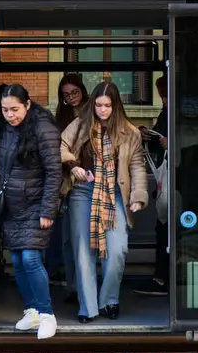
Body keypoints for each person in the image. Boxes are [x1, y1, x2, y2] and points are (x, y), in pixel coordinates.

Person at [60, 82, 148, 323]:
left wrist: (138, 196)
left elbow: (137, 166)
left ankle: (109, 300)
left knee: (117, 250)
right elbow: (61, 147)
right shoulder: (80, 124)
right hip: (82, 191)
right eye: (98, 105)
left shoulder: (130, 132)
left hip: (115, 193)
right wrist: (73, 166)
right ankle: (87, 307)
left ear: (115, 105)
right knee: (83, 251)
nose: (102, 110)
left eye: (107, 105)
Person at [0, 84, 63, 339]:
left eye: (14, 109)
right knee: (15, 260)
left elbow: (54, 172)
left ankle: (47, 315)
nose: (9, 115)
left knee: (30, 259)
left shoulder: (44, 128)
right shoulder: (9, 129)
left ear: (27, 104)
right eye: (5, 110)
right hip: (13, 206)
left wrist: (48, 210)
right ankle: (32, 311)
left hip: (35, 204)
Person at [45, 73, 88, 301]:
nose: (71, 97)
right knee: (69, 238)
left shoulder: (95, 111)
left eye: (74, 92)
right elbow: (56, 150)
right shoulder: (60, 118)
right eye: (66, 95)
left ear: (82, 90)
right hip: (69, 183)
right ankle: (74, 286)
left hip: (93, 180)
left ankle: (89, 287)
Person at [135, 75, 169, 296]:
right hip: (170, 179)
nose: (163, 100)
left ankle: (162, 278)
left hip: (177, 181)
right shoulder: (167, 112)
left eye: (164, 96)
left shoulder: (175, 113)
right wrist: (147, 134)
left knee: (165, 227)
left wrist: (171, 143)